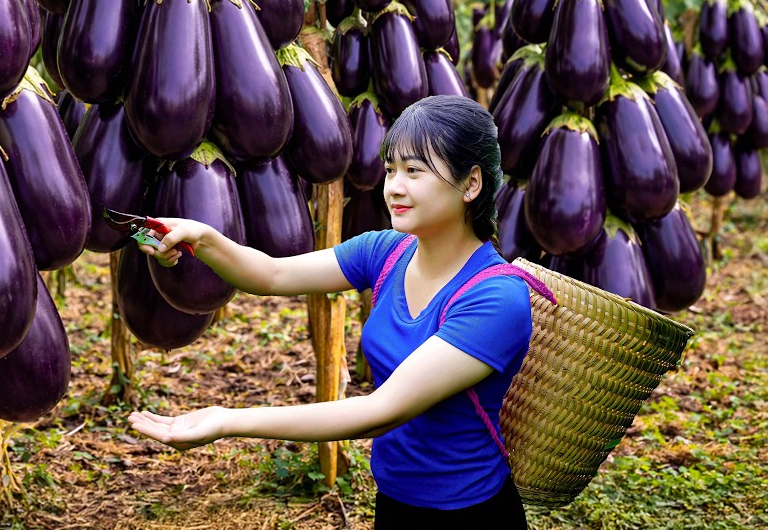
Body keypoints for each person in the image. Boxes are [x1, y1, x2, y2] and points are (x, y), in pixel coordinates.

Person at [127, 95, 532, 529]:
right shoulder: (386, 252)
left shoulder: (496, 298)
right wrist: (203, 238)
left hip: (471, 514)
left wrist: (226, 420)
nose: (394, 187)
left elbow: (382, 410)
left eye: (414, 171)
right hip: (395, 502)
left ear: (471, 184)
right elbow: (272, 275)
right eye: (391, 169)